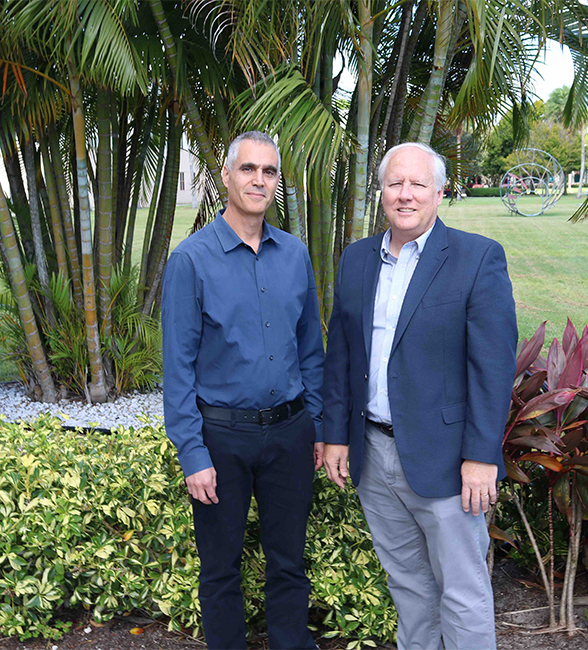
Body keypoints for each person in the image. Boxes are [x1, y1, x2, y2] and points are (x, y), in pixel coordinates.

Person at [322, 142, 517, 649]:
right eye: (395, 183)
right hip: (374, 454)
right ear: (381, 190)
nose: (405, 195)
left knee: (462, 591)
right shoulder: (357, 259)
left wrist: (481, 457)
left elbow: (492, 369)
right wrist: (337, 435)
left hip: (448, 461)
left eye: (417, 184)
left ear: (440, 192)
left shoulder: (477, 258)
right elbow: (342, 354)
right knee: (408, 587)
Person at [161, 131, 325, 650]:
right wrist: (192, 452)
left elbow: (310, 351)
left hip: (290, 435)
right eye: (248, 169)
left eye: (269, 171)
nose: (259, 180)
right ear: (226, 176)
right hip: (221, 440)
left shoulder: (295, 255)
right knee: (220, 571)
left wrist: (316, 426)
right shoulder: (191, 260)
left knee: (288, 565)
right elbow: (178, 368)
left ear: (277, 181)